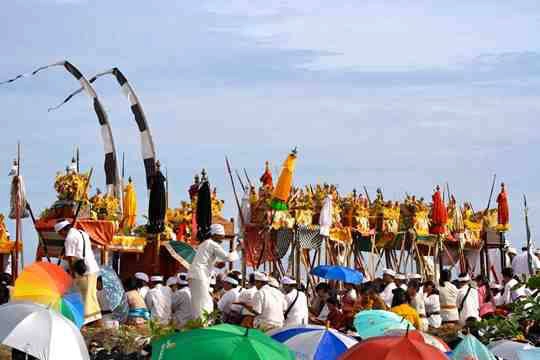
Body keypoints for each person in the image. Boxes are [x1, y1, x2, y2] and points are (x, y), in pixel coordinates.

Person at [188, 224, 240, 319]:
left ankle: (201, 323)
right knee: (202, 303)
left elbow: (205, 260)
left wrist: (216, 264)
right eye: (221, 236)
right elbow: (227, 257)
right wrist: (238, 249)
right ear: (214, 235)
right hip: (199, 276)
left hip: (197, 276)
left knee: (204, 302)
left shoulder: (205, 244)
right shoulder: (211, 243)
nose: (222, 239)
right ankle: (201, 326)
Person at [55, 220, 101, 325]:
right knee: (91, 296)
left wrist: (72, 272)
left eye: (60, 233)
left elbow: (71, 258)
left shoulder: (69, 238)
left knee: (87, 298)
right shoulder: (82, 233)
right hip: (93, 267)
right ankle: (96, 321)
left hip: (83, 270)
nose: (60, 236)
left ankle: (91, 322)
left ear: (63, 230)